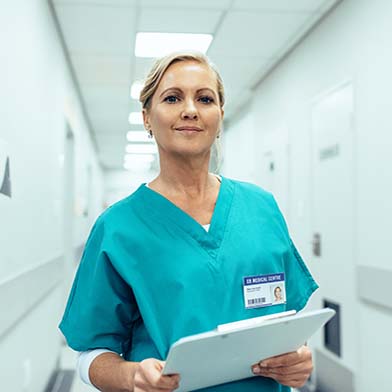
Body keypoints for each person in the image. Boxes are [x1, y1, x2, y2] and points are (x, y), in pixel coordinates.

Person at [59, 51, 318, 392]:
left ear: (220, 116)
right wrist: (132, 377)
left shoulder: (261, 207)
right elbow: (91, 353)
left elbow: (284, 325)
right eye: (172, 97)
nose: (191, 110)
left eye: (205, 98)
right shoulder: (118, 227)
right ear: (147, 117)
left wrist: (298, 360)